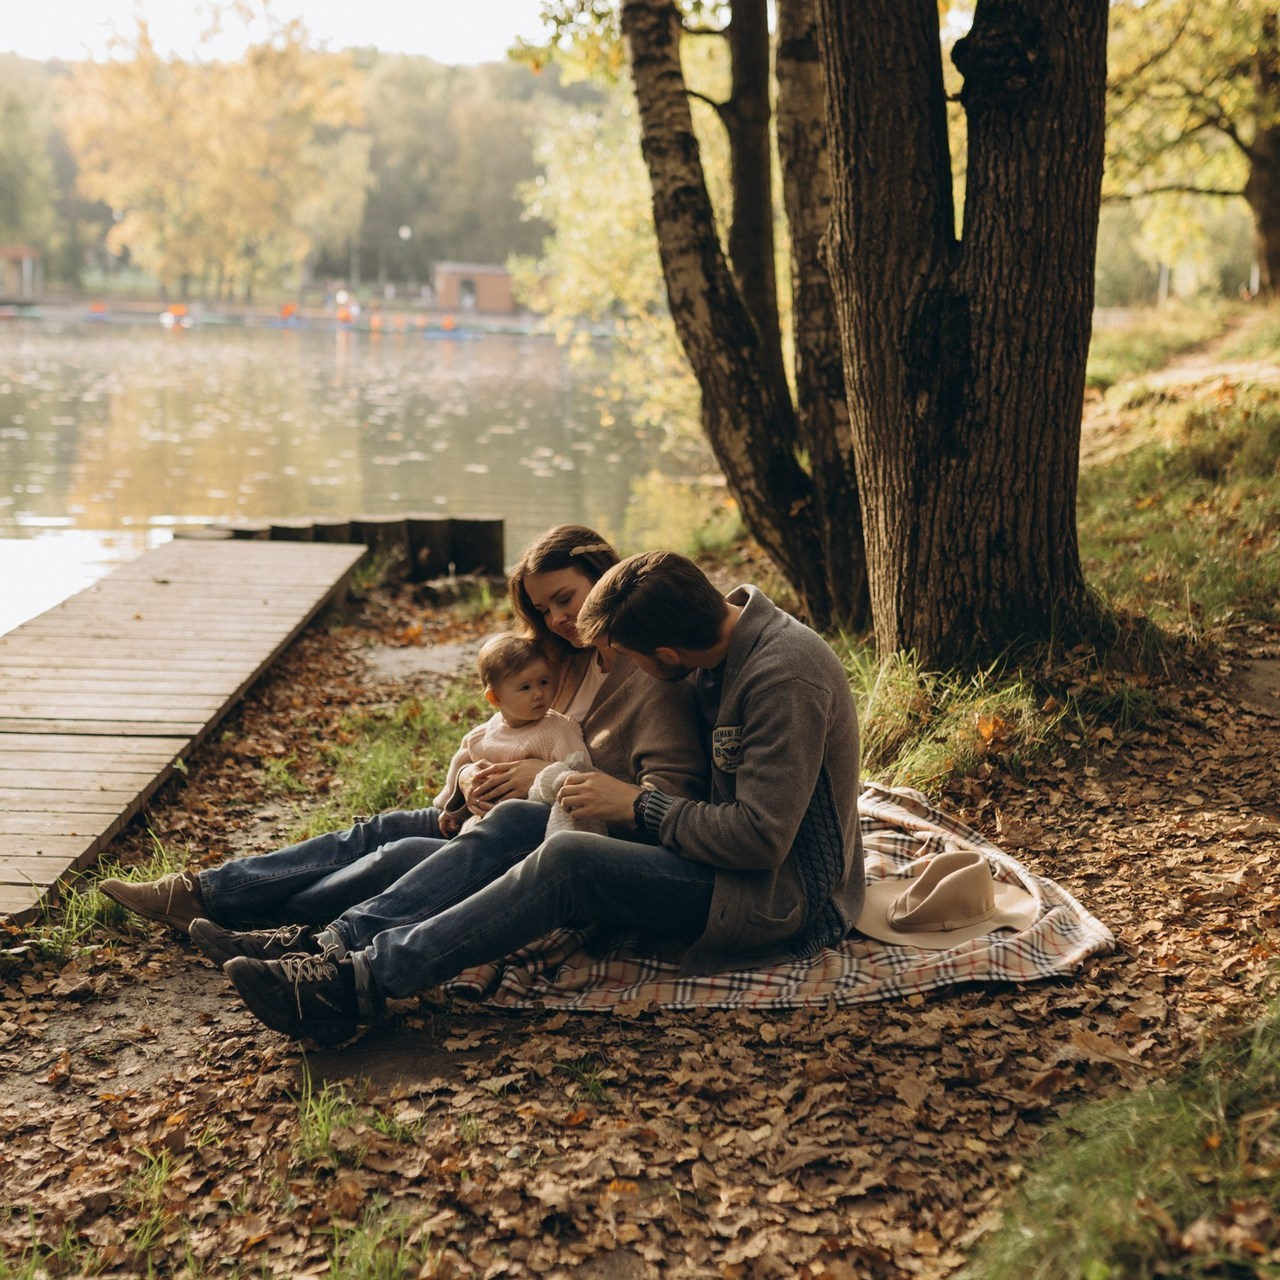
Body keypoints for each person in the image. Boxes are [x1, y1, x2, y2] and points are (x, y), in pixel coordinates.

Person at [215, 550, 863, 1047]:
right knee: (522, 818)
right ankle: (334, 944)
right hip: (710, 854)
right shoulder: (715, 642)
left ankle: (358, 988)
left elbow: (760, 840)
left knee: (570, 861)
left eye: (628, 659)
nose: (627, 671)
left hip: (776, 895)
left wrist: (636, 805)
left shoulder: (783, 676)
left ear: (667, 653)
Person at [100, 525, 706, 942]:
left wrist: (543, 779)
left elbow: (657, 798)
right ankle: (205, 890)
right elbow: (505, 726)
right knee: (379, 829)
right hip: (491, 811)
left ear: (604, 574)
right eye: (543, 609)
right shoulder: (561, 657)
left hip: (544, 835)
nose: (557, 618)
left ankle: (247, 919)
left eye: (565, 598)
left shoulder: (649, 673)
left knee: (396, 856)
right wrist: (470, 779)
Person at [434, 632, 591, 837]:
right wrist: (448, 808)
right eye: (525, 687)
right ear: (495, 697)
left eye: (544, 682)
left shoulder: (557, 730)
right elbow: (459, 766)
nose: (538, 693)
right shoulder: (481, 737)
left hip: (534, 830)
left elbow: (581, 774)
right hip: (480, 826)